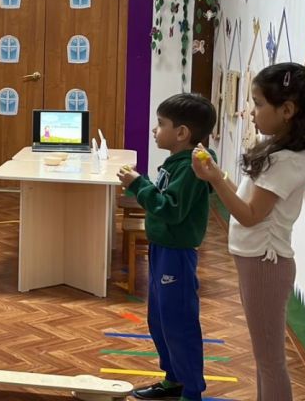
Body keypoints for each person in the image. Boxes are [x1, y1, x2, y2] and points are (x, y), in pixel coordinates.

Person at [191, 63, 305, 401]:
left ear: (287, 110)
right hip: (257, 262)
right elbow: (248, 205)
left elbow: (250, 215)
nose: (251, 112)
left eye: (258, 104)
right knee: (264, 359)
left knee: (270, 362)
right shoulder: (278, 152)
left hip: (265, 265)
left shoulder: (285, 161)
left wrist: (215, 179)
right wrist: (217, 175)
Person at [117, 93, 216, 401]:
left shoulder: (190, 167)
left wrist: (138, 184)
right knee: (160, 321)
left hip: (177, 255)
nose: (154, 130)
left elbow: (171, 209)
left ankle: (192, 391)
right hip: (161, 248)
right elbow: (164, 196)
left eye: (160, 124)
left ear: (182, 132)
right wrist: (142, 183)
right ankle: (174, 379)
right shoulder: (176, 162)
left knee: (179, 322)